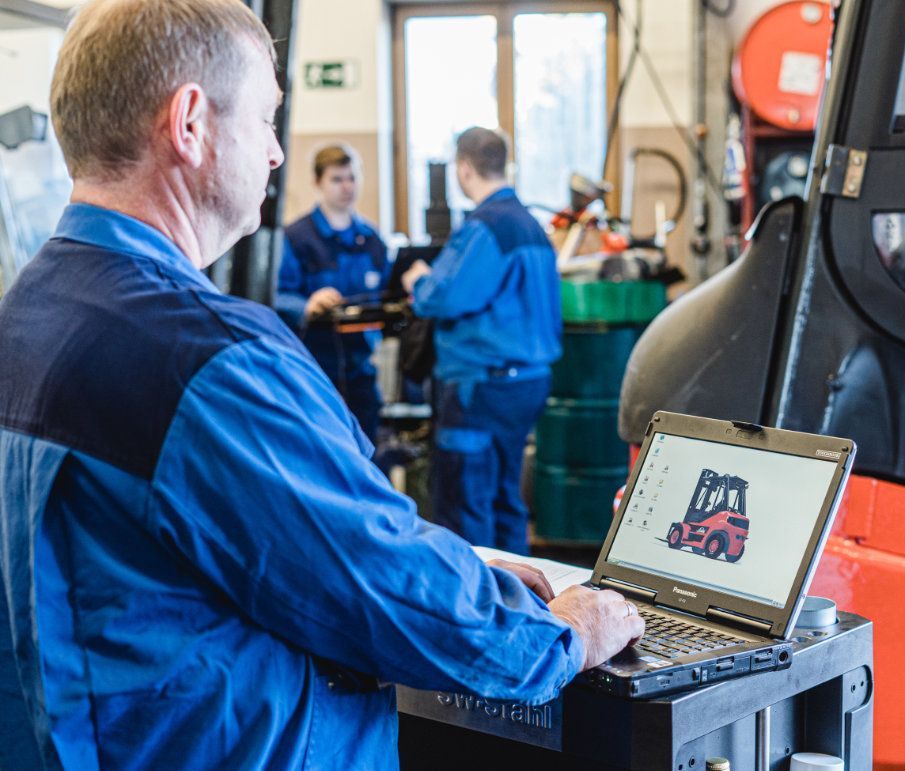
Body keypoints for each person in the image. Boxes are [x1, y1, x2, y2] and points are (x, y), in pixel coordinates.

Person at [0, 2, 643, 769]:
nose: (276, 154)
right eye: (268, 119)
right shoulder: (211, 362)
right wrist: (565, 632)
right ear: (191, 122)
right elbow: (389, 594)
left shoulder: (28, 312)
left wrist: (456, 568)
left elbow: (242, 552)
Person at [402, 127, 561, 555]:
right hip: (527, 384)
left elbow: (447, 297)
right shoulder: (530, 226)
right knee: (506, 500)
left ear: (464, 169)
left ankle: (478, 614)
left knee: (465, 507)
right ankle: (525, 603)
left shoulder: (485, 227)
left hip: (482, 389)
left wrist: (420, 282)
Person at [276, 144, 388, 441]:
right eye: (337, 179)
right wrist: (307, 305)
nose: (346, 186)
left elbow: (385, 295)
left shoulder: (373, 239)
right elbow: (276, 296)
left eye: (352, 178)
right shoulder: (297, 238)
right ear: (318, 183)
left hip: (362, 371)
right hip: (313, 372)